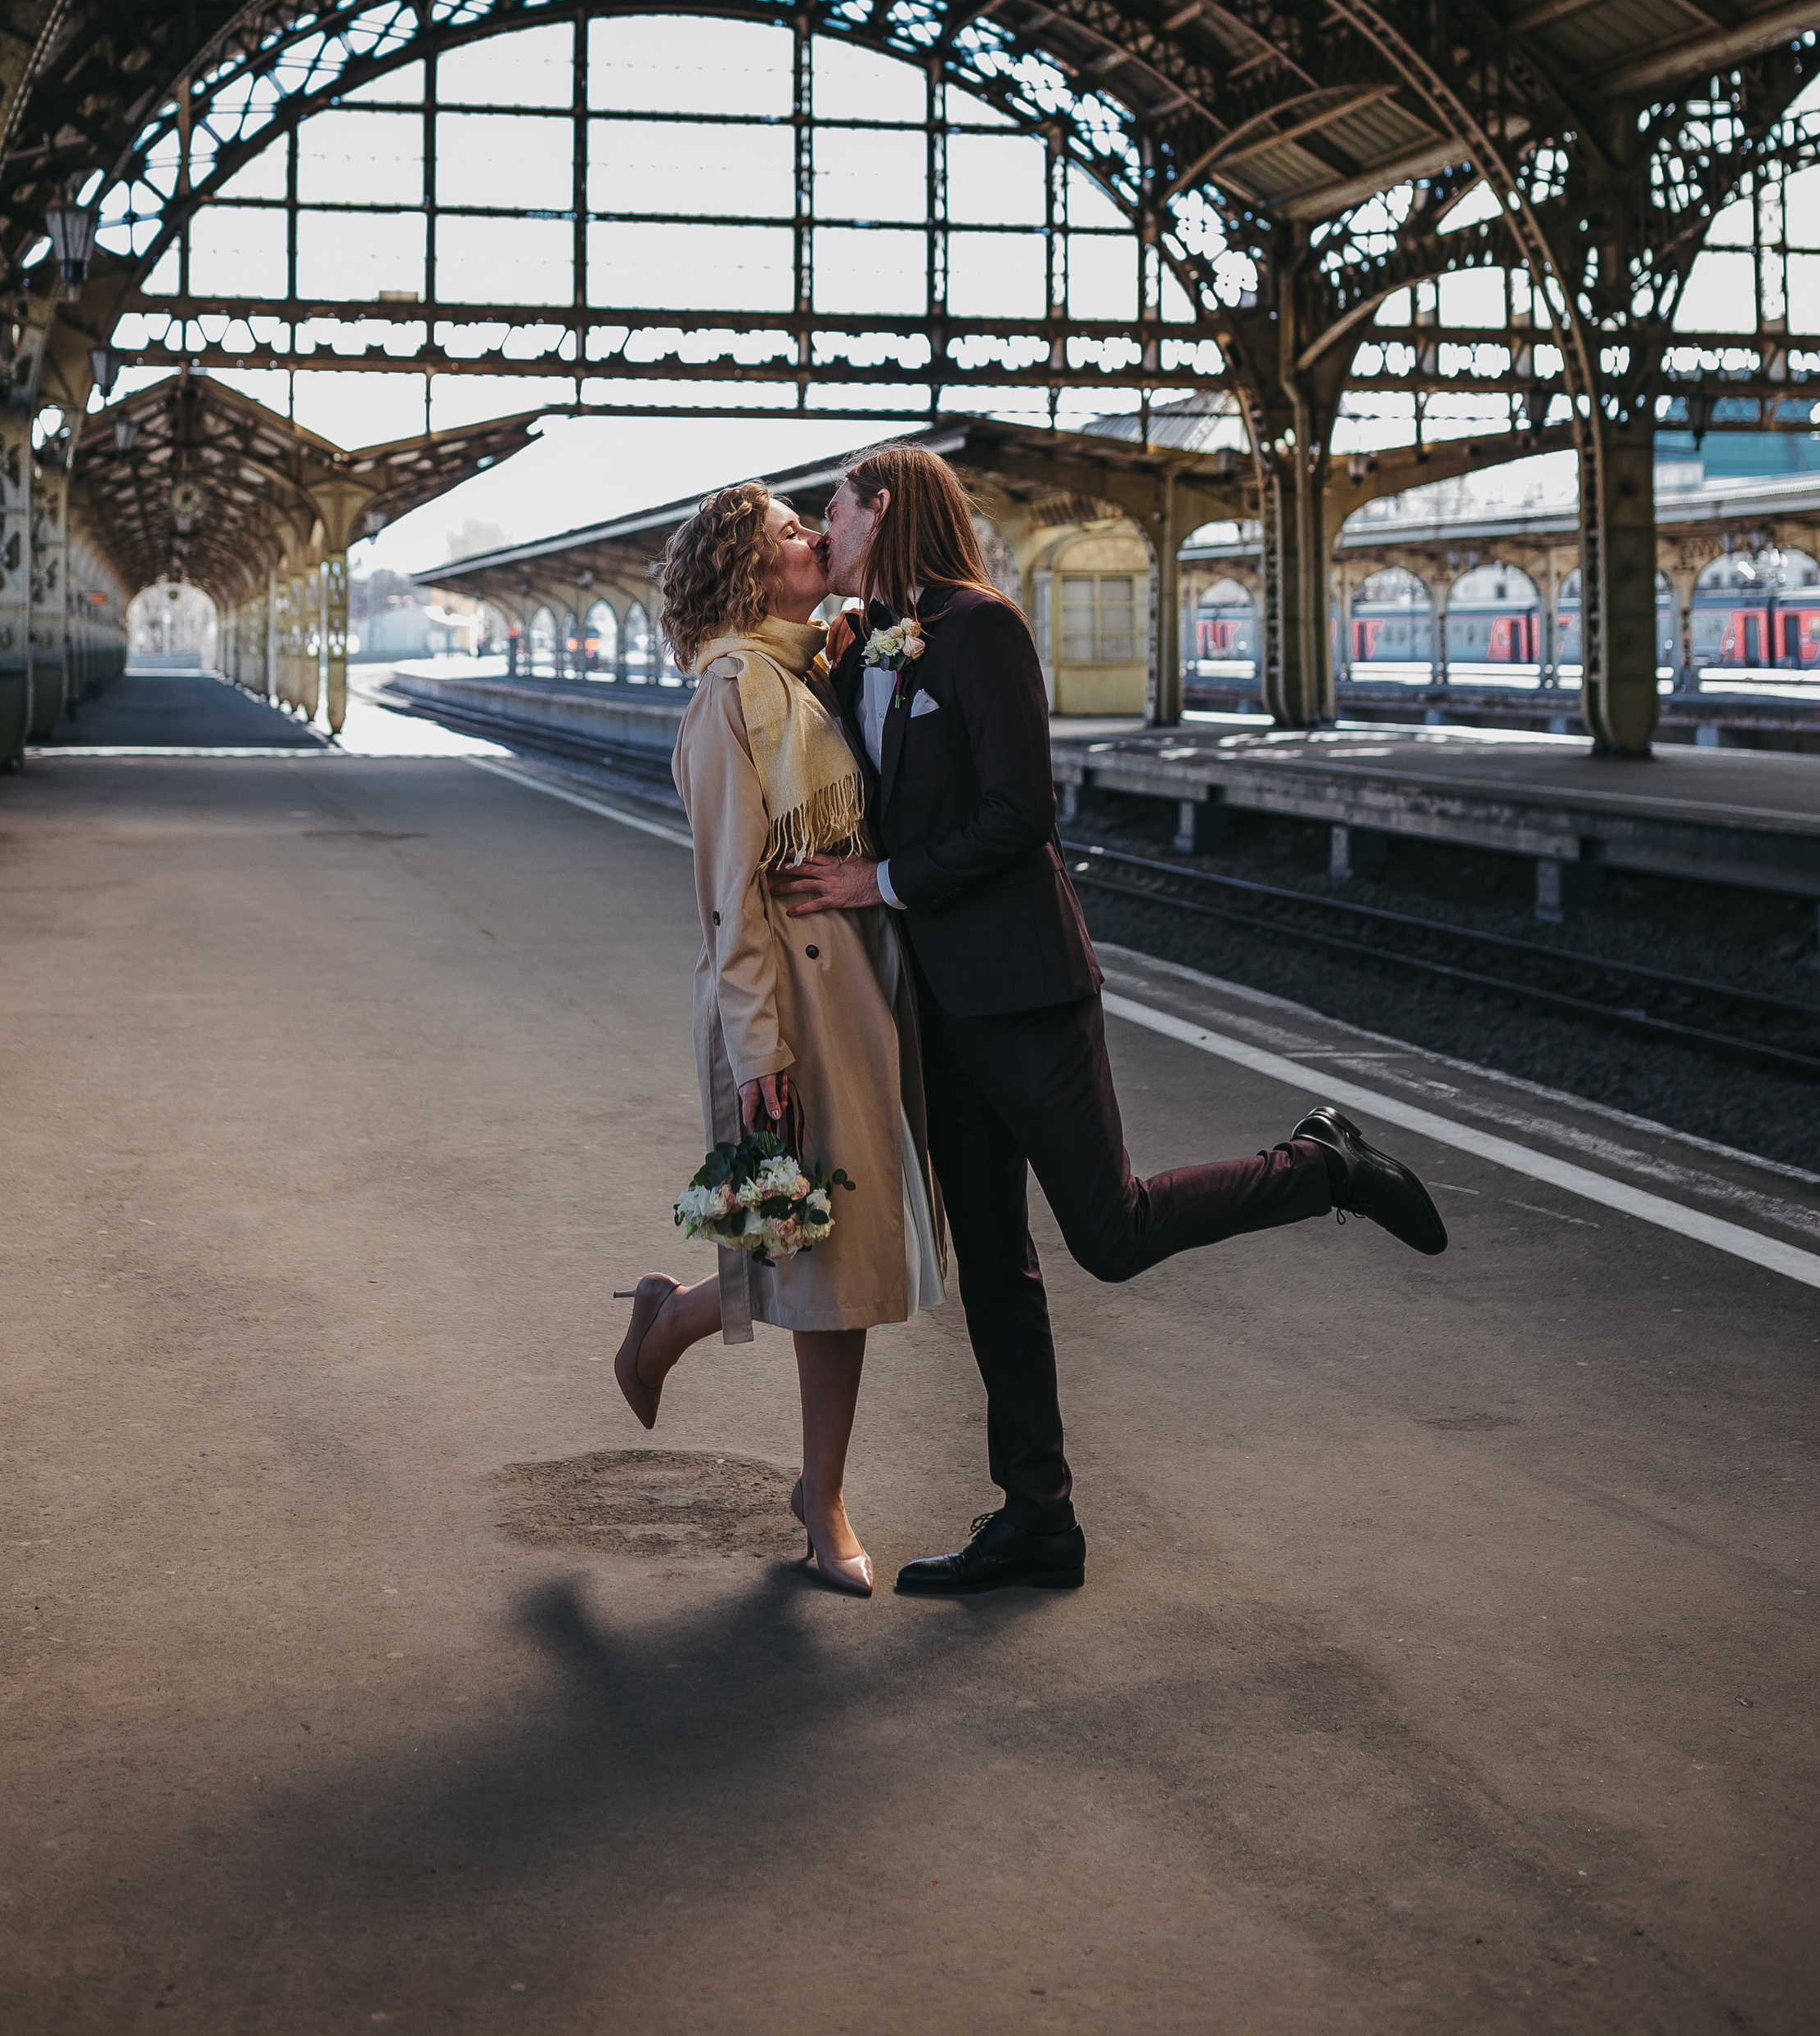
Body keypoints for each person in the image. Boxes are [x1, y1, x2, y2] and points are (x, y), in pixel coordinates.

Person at [771, 443, 1447, 1598]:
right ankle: (1038, 1519)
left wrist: (879, 885)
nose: (820, 524)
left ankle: (1321, 1166)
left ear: (881, 510)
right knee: (995, 1267)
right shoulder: (858, 653)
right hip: (937, 1006)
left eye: (831, 505)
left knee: (1109, 1231)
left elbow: (1022, 811)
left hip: (1026, 989)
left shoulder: (981, 629)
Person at [613, 481, 943, 1596]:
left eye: (813, 527)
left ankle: (670, 1325)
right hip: (787, 1002)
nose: (812, 540)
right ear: (751, 574)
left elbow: (918, 640)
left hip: (850, 988)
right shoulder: (730, 696)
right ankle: (825, 1496)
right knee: (814, 1251)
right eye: (790, 535)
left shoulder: (807, 670)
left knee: (821, 1250)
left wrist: (878, 601)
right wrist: (762, 1051)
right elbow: (727, 899)